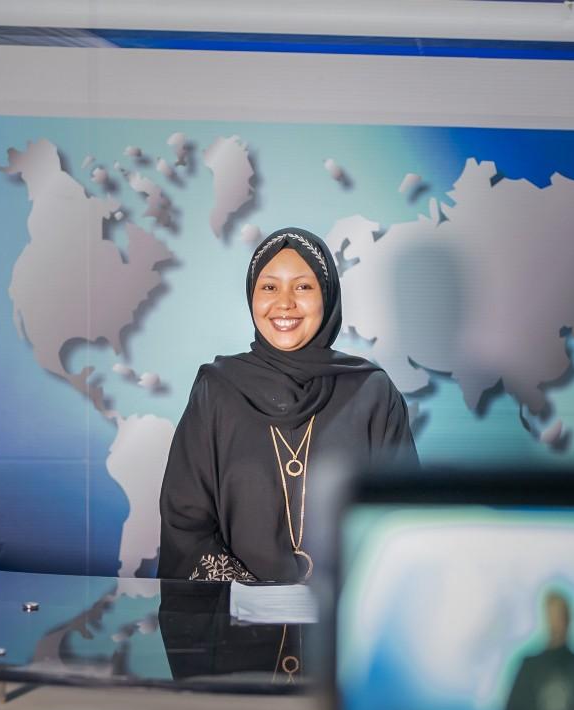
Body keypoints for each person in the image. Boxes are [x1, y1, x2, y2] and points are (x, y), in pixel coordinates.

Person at [158, 227, 417, 583]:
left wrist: (339, 597)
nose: (284, 303)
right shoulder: (216, 390)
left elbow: (399, 518)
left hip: (341, 606)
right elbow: (186, 520)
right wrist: (250, 596)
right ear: (251, 296)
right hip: (236, 611)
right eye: (269, 287)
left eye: (303, 287)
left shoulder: (372, 392)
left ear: (327, 295)